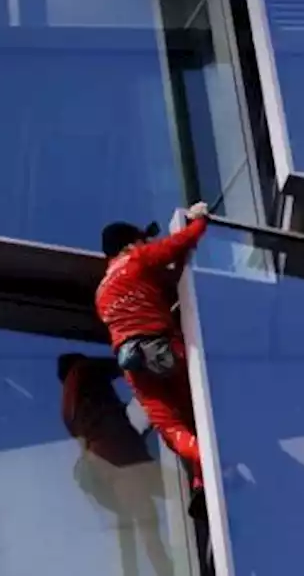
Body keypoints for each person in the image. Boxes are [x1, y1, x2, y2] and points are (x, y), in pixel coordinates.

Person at [95, 203, 210, 502]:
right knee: (196, 412)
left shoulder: (101, 292)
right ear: (131, 243)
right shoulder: (137, 259)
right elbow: (177, 246)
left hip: (135, 367)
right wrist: (199, 222)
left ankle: (201, 480)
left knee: (172, 428)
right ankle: (211, 464)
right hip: (165, 351)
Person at [58, 353, 174, 576]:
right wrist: (148, 361)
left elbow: (99, 432)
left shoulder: (70, 410)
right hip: (124, 462)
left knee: (138, 527)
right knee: (149, 522)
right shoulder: (81, 371)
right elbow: (122, 365)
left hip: (115, 464)